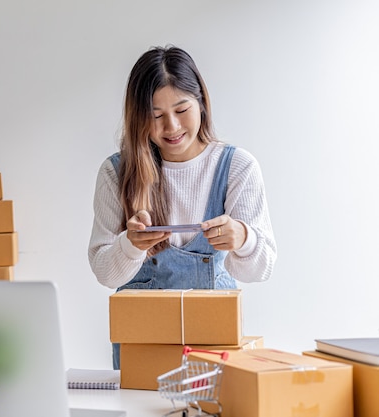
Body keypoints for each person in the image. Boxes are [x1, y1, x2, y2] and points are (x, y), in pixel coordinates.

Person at [88, 45, 277, 370]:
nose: (171, 127)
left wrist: (243, 237)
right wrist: (130, 246)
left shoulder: (237, 167)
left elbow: (259, 270)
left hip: (214, 341)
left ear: (201, 102)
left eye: (181, 109)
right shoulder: (116, 172)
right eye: (156, 115)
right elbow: (105, 273)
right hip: (140, 342)